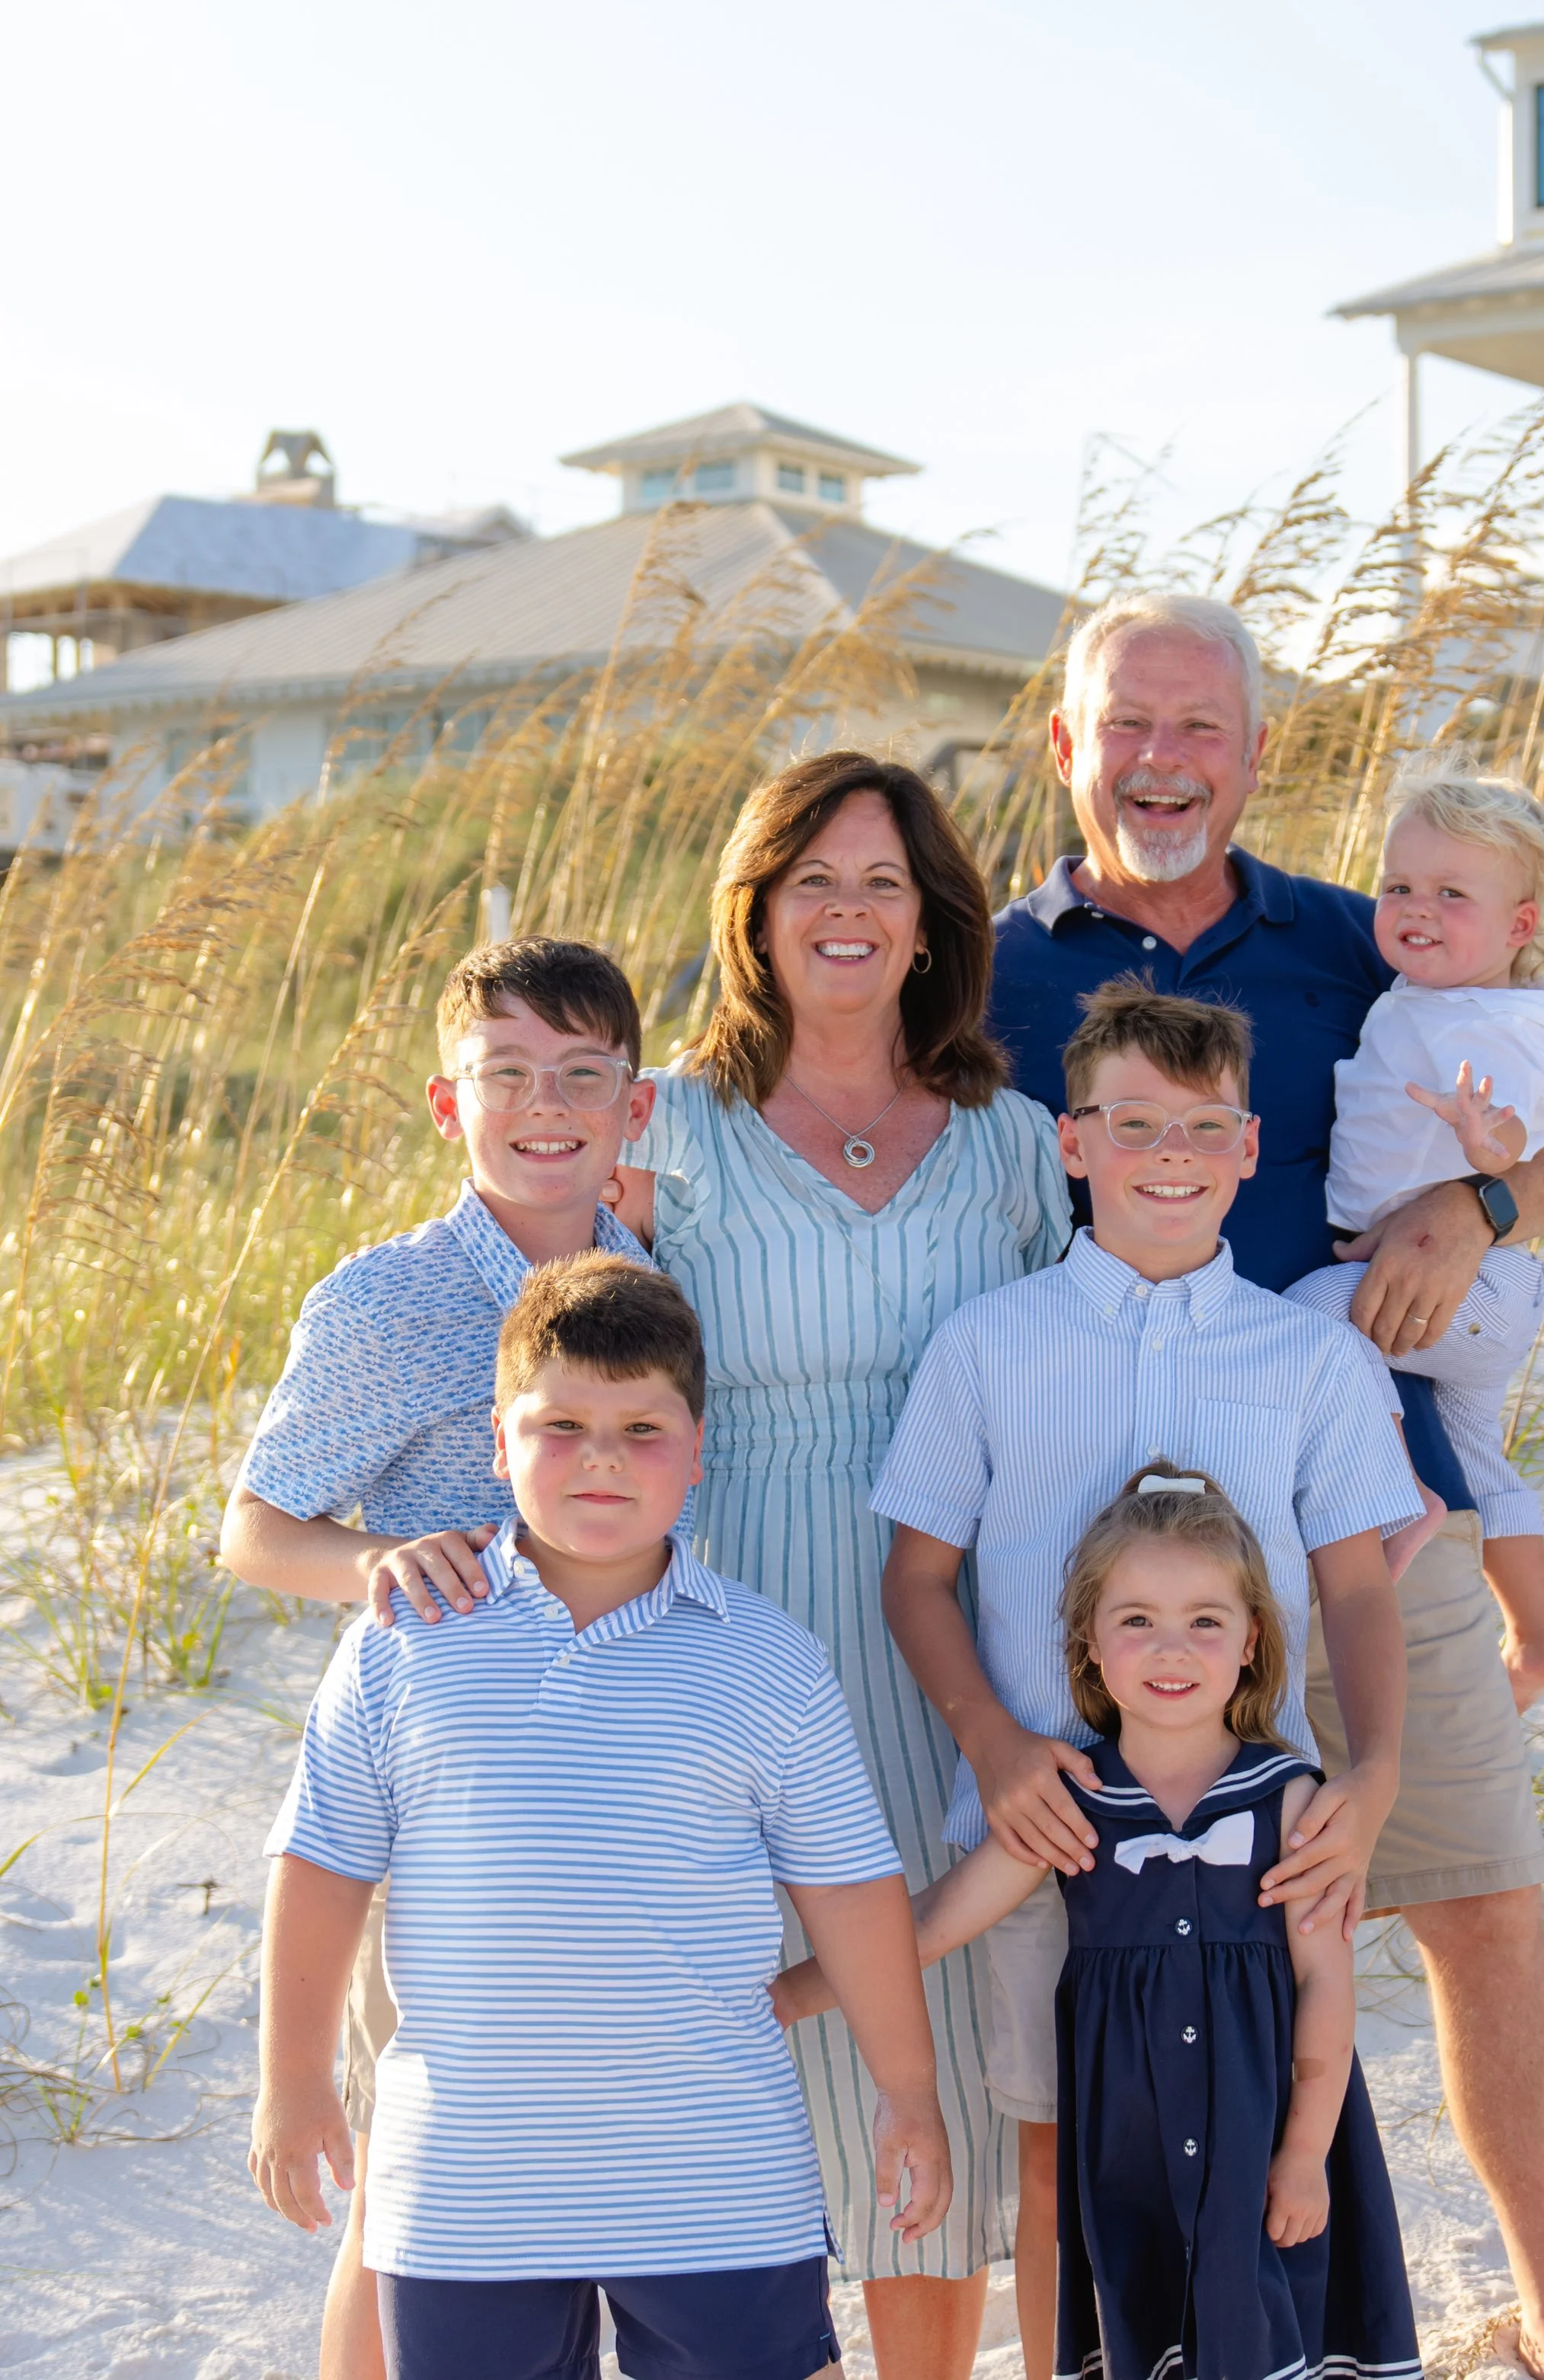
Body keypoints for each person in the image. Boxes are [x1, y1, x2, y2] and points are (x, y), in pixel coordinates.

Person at [986, 591, 1544, 2380]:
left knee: (1479, 1892)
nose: (1166, 759)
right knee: (1098, 1957)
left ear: (1259, 751)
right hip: (1111, 1565)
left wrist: (1480, 1208)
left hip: (1375, 1498)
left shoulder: (1367, 939)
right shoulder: (989, 965)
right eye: (1130, 722)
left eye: (1203, 725)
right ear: (1066, 744)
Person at [249, 1254, 951, 2380]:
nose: (603, 1459)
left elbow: (853, 1897)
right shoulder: (404, 1636)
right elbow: (320, 1870)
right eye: (562, 1424)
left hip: (714, 2172)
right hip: (469, 2186)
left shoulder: (765, 1657)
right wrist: (291, 2082)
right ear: (498, 1442)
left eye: (643, 1429)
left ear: (698, 1452)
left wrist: (909, 2094)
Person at [607, 752, 1076, 2380]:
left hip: (953, 1642)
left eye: (883, 881)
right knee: (752, 2037)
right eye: (813, 878)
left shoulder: (1015, 1144)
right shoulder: (664, 1130)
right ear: (754, 908)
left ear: (935, 915)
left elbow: (1062, 1392)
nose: (850, 911)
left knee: (931, 2052)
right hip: (737, 1634)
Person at [876, 980, 1421, 2380]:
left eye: (1201, 1127)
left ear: (1248, 1148)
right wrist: (994, 1744)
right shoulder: (990, 1346)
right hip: (1046, 1832)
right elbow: (917, 1578)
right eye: (1133, 1125)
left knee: (1262, 2153)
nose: (1167, 1155)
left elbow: (1357, 1586)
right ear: (1074, 1144)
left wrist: (1374, 1776)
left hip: (1256, 1846)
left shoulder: (1310, 1359)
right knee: (1068, 2161)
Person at [219, 935, 656, 2380]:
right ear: (444, 1102)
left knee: (605, 2179)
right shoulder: (384, 1300)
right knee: (423, 2187)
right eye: (508, 1073)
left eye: (583, 1075)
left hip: (635, 1801)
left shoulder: (666, 1279)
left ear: (632, 1107)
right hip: (452, 1805)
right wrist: (373, 1563)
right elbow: (254, 1529)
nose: (546, 1103)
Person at [781, 1464, 1421, 2380]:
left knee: (1267, 2332)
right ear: (1088, 1643)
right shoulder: (1072, 1798)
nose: (1173, 1649)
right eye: (1137, 1621)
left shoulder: (1289, 1801)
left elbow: (1324, 1982)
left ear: (1251, 1640)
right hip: (1132, 2149)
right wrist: (782, 1995)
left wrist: (1307, 2150)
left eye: (1205, 1620)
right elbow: (928, 1924)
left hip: (1264, 2134)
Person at [1283, 754, 1544, 1712]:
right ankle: (1536, 1639)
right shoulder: (1429, 994)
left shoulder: (1489, 1025)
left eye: (1453, 893)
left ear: (1517, 927)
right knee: (1486, 1457)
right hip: (1475, 1301)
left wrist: (1487, 1152)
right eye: (1399, 885)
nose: (1416, 906)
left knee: (1318, 1312)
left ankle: (1402, 1483)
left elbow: (1529, 1123)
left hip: (1473, 1285)